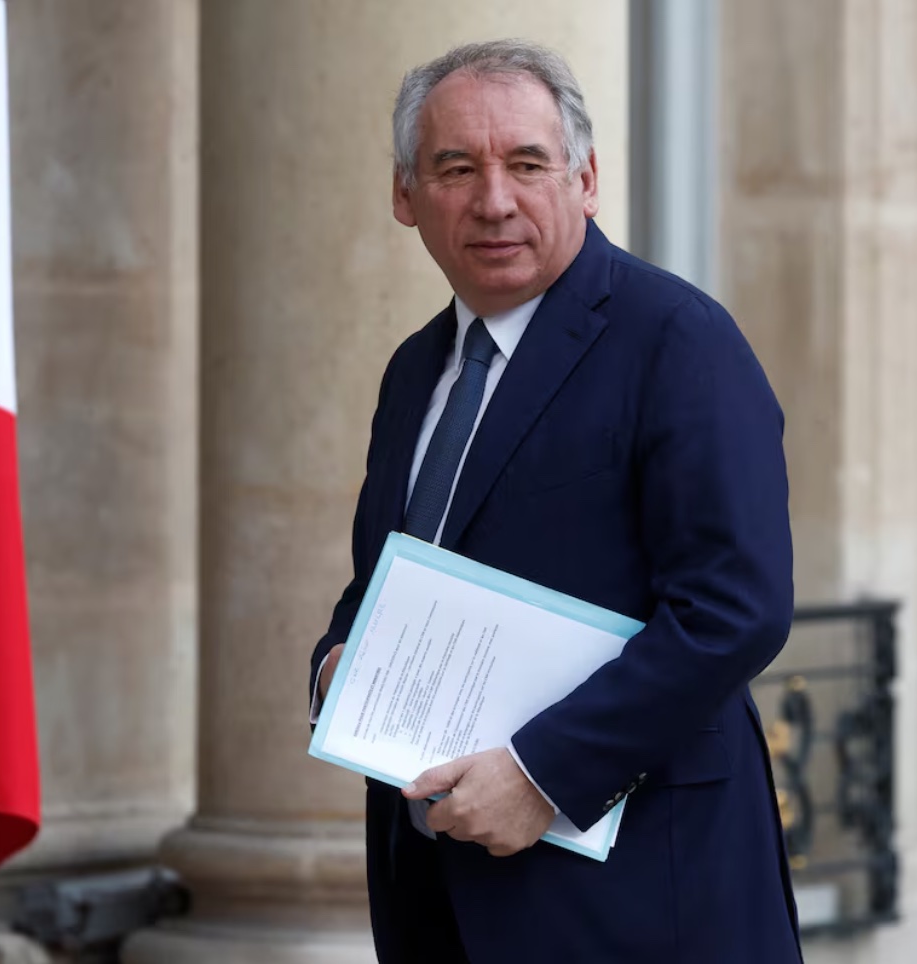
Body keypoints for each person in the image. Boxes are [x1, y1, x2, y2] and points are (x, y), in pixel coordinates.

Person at [308, 39, 801, 963]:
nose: (495, 200)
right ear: (405, 195)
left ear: (586, 180)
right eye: (457, 168)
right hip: (438, 901)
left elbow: (736, 608)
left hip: (640, 900)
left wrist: (545, 776)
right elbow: (386, 580)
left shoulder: (679, 341)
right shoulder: (416, 370)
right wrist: (338, 667)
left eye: (527, 164)